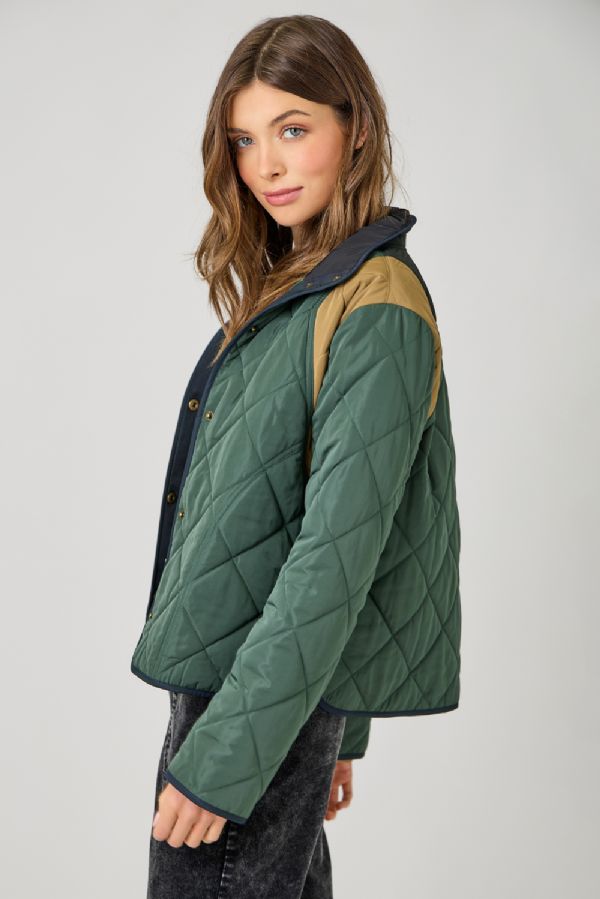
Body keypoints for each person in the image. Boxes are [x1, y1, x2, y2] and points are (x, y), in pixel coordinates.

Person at [129, 13, 462, 899]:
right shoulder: (304, 288)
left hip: (250, 708)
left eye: (292, 129)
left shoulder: (375, 306)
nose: (265, 165)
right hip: (257, 696)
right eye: (244, 139)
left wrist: (231, 757)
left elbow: (337, 558)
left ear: (357, 129)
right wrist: (332, 727)